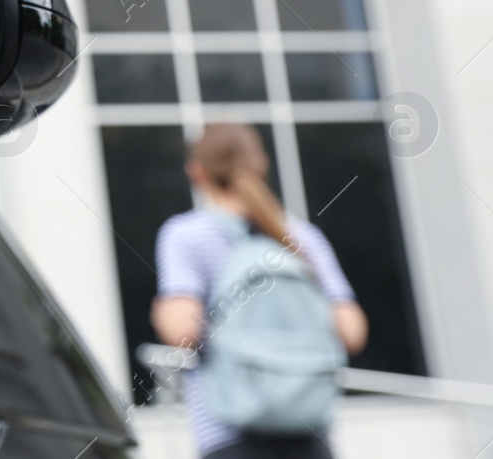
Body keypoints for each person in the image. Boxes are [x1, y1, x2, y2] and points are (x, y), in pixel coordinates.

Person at [151, 125, 368, 459]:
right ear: (261, 165)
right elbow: (352, 332)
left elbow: (183, 330)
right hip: (308, 432)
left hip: (228, 436)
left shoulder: (185, 234)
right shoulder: (300, 236)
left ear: (197, 172)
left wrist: (164, 312)